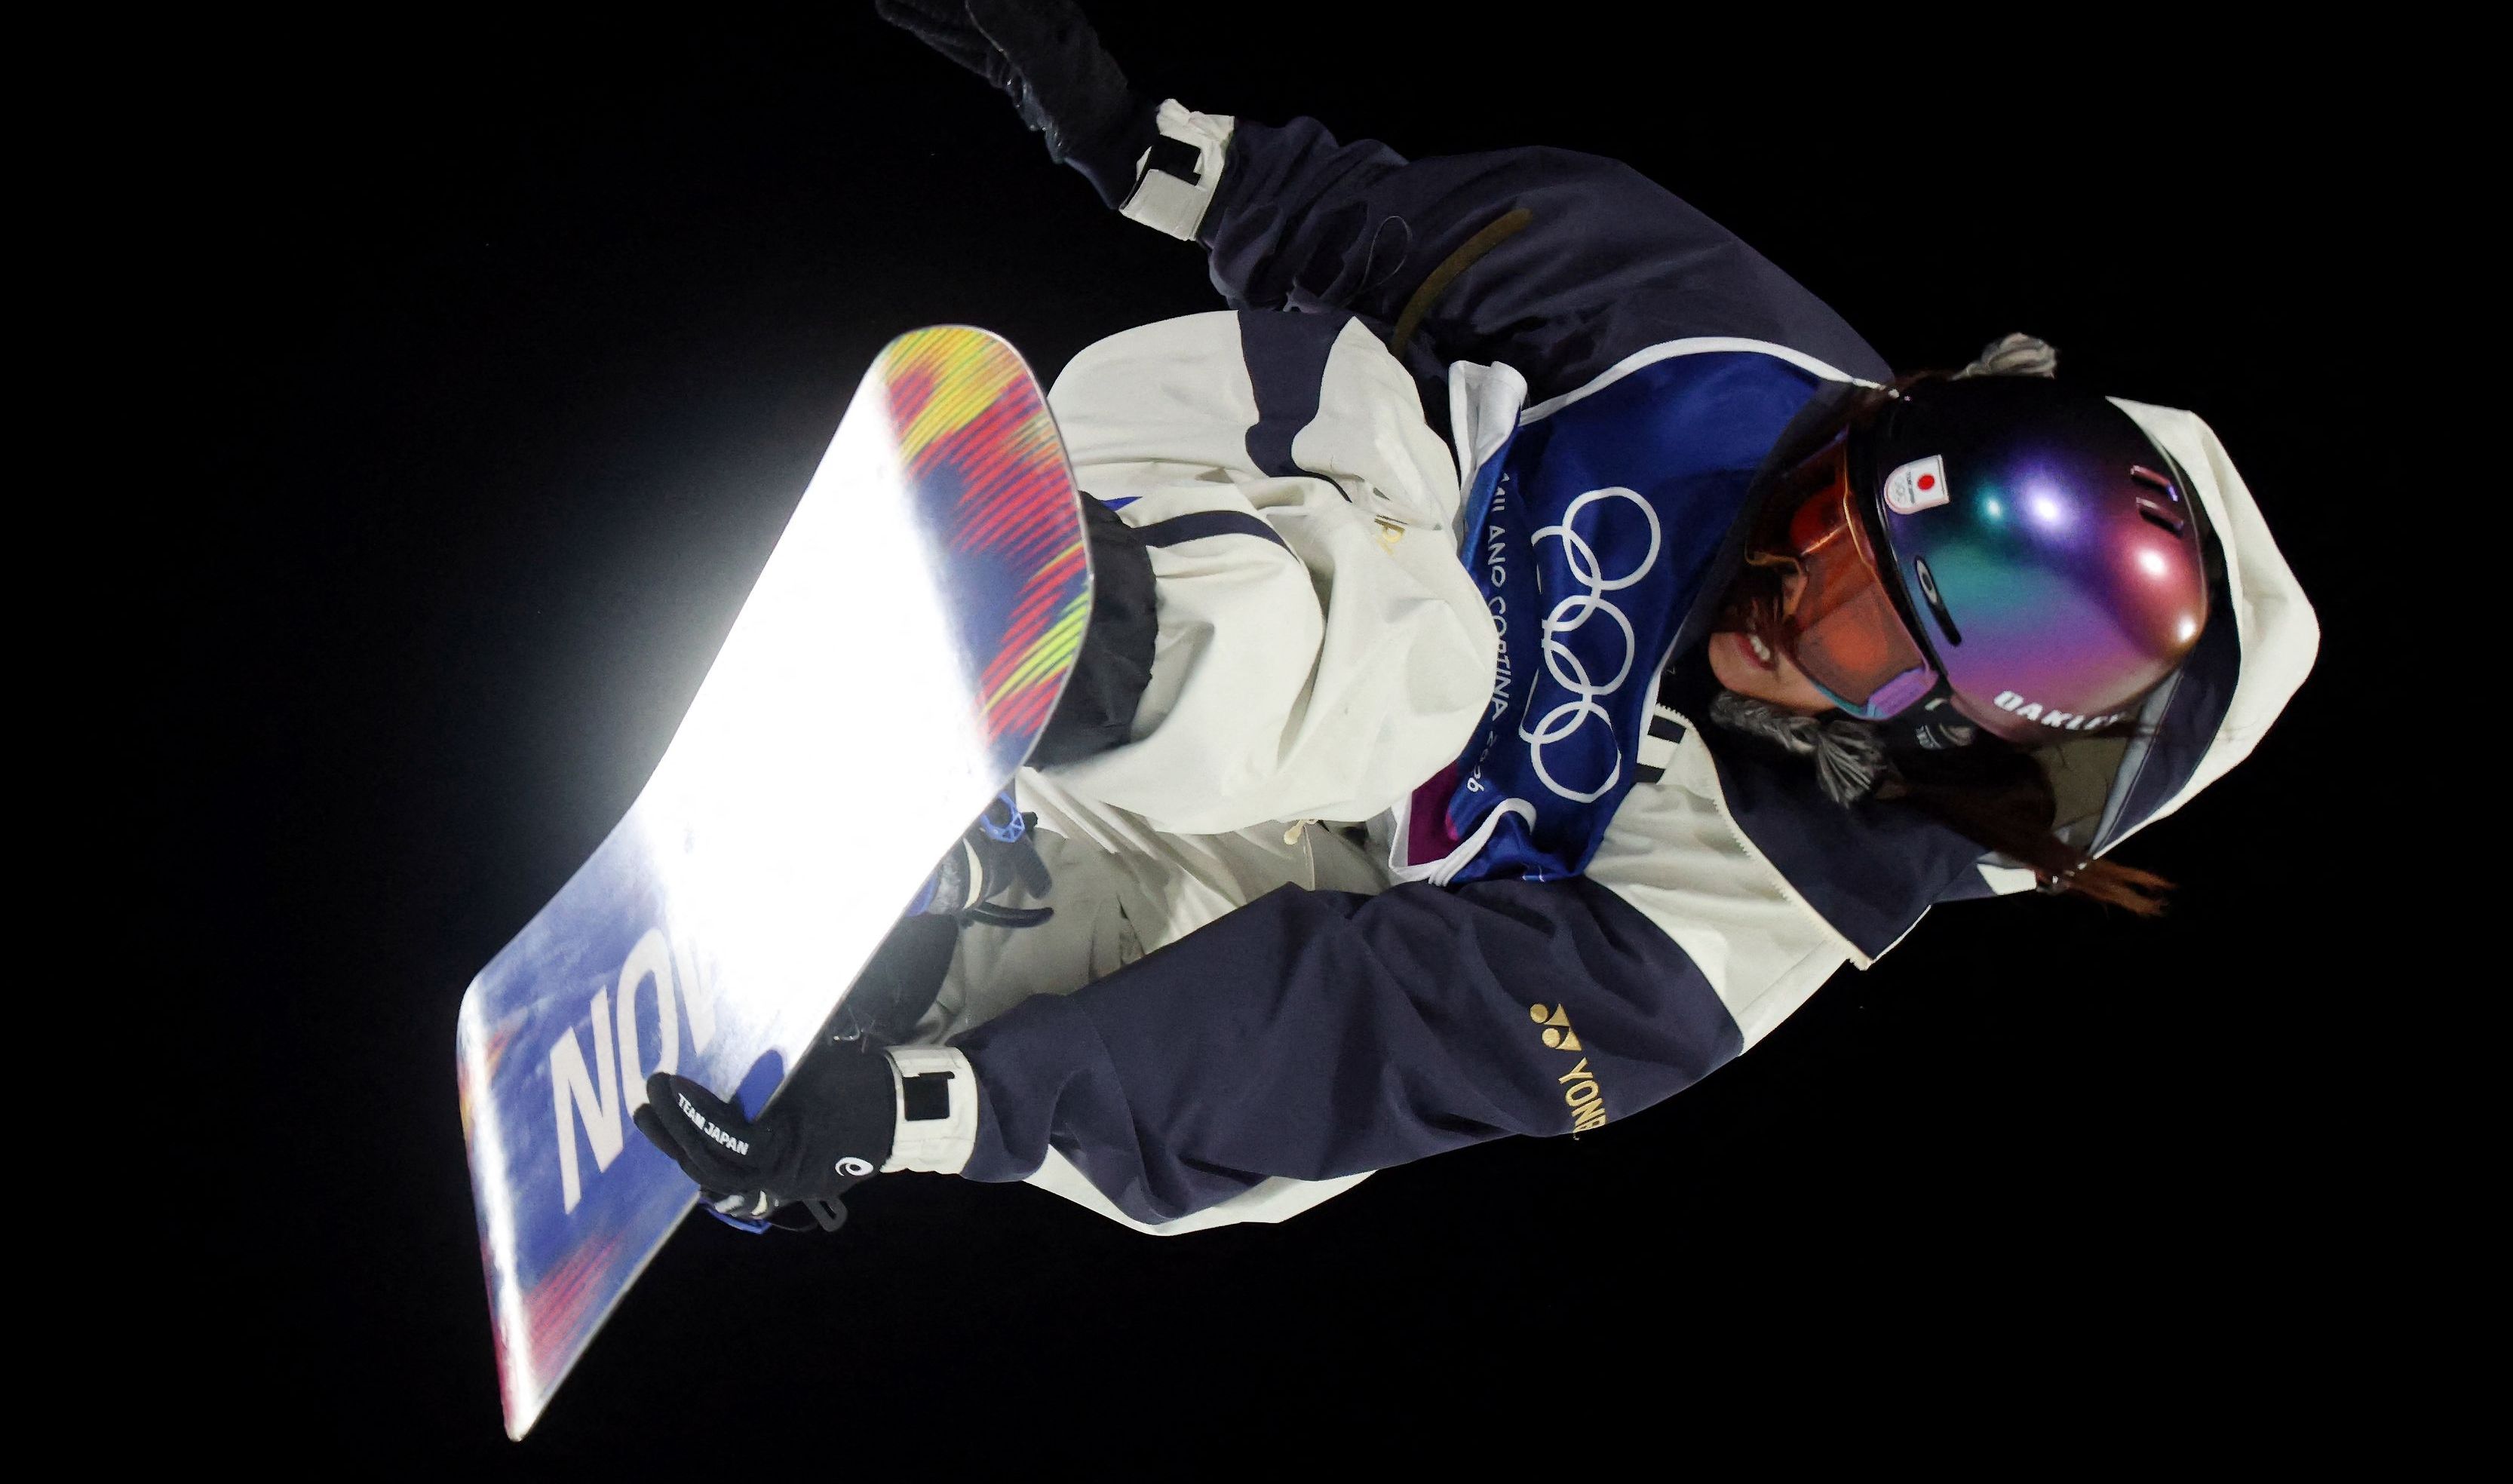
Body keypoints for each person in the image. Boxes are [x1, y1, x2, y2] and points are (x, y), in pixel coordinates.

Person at [633, 1, 2319, 1235]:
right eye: (1825, 522)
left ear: (1933, 732)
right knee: (1431, 664)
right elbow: (1396, 236)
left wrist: (941, 1112)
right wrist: (1124, 128)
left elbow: (1358, 1036)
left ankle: (920, 967)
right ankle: (1083, 639)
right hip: (1252, 495)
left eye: (1860, 640)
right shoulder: (1723, 353)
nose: (1783, 595)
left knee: (1257, 1100)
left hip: (1256, 818)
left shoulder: (1747, 918)